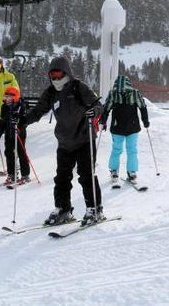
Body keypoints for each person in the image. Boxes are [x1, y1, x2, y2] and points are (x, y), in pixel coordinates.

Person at [22, 57, 104, 226]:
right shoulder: (51, 92)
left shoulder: (78, 87)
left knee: (86, 175)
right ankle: (63, 209)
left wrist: (94, 112)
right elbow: (38, 111)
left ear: (67, 72)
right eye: (53, 75)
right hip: (65, 142)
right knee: (62, 178)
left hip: (84, 139)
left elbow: (98, 105)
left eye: (59, 74)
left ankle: (94, 209)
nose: (56, 78)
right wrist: (22, 120)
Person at [101, 75, 150, 184]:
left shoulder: (119, 93)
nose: (122, 91)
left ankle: (124, 171)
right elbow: (142, 107)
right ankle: (125, 171)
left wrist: (145, 120)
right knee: (129, 150)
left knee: (119, 150)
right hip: (127, 127)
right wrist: (103, 120)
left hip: (124, 127)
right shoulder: (125, 93)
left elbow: (107, 108)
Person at [0, 86, 30, 184]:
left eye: (9, 97)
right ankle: (11, 174)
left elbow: (26, 120)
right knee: (8, 153)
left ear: (15, 97)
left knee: (21, 153)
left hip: (19, 133)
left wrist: (19, 121)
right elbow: (2, 123)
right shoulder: (4, 107)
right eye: (6, 97)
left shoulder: (22, 106)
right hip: (9, 133)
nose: (6, 99)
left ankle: (25, 175)